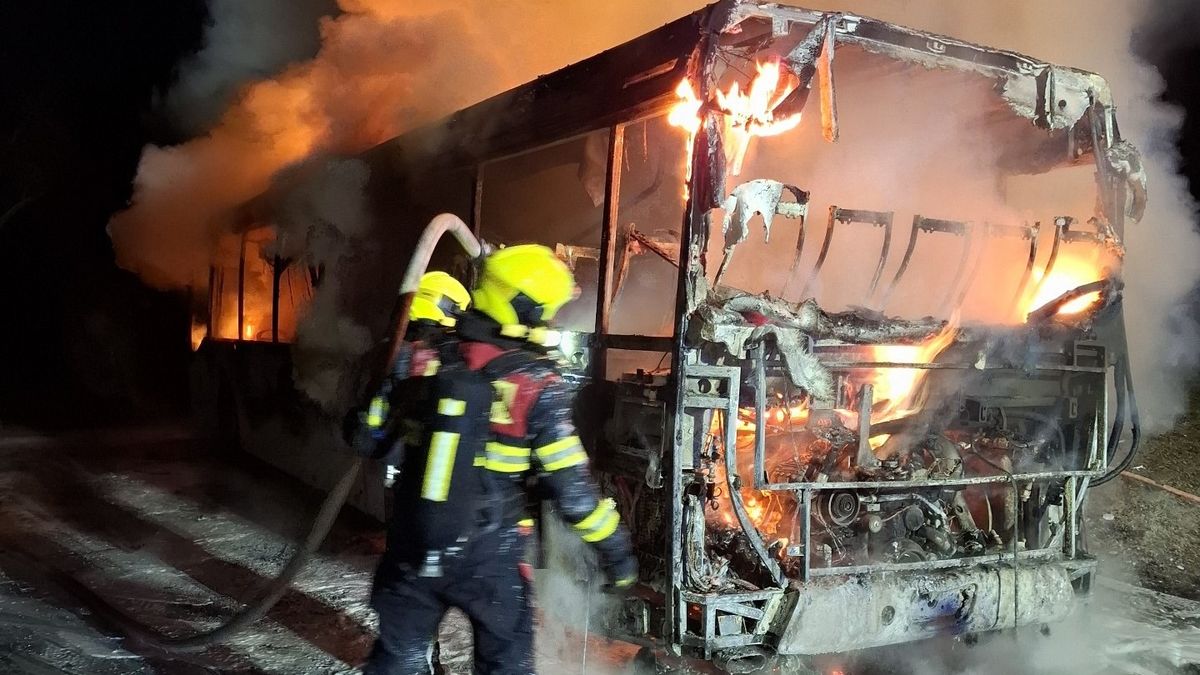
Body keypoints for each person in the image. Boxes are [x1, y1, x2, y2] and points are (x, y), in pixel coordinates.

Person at [364, 244, 637, 674]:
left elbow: (370, 438)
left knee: (400, 660)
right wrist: (616, 550)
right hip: (488, 555)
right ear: (525, 309)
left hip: (412, 541)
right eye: (546, 311)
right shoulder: (536, 382)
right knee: (505, 663)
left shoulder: (423, 358)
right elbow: (575, 494)